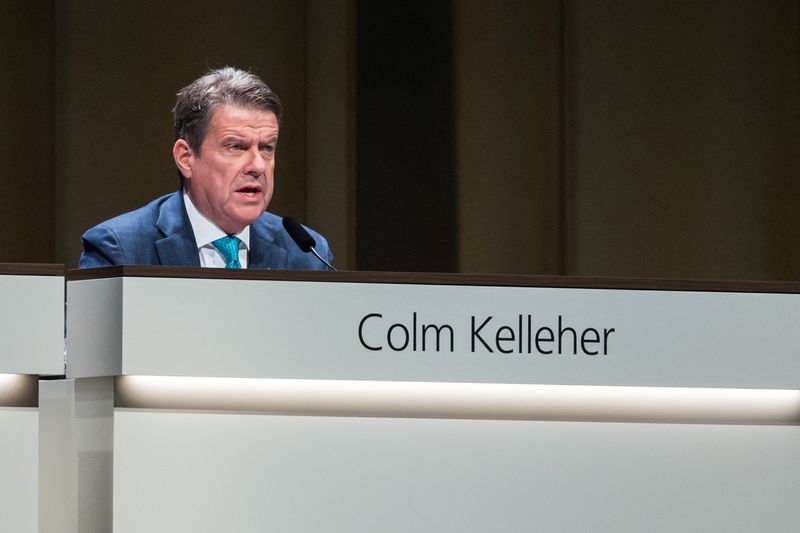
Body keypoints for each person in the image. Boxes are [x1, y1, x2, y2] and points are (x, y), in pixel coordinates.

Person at [79, 67, 332, 270]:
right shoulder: (121, 248)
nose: (257, 165)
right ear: (186, 158)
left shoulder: (307, 254)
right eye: (236, 147)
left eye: (266, 148)